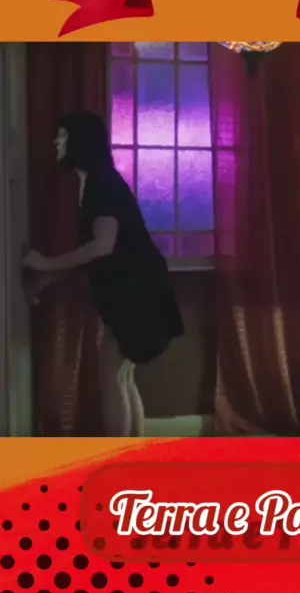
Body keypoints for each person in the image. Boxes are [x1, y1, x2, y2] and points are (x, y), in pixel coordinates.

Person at [23, 111, 184, 437]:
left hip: (137, 293)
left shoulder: (101, 183)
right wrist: (46, 277)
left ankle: (117, 457)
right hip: (135, 291)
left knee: (113, 378)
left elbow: (102, 246)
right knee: (121, 377)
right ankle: (130, 456)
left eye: (63, 136)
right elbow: (97, 252)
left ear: (80, 142)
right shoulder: (97, 181)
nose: (56, 142)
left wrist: (45, 264)